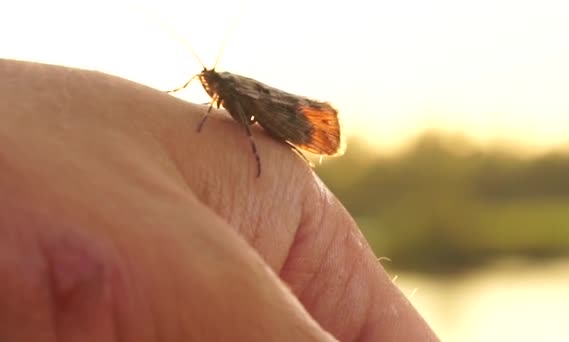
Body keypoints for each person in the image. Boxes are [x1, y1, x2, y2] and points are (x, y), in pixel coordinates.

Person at [0, 59, 439, 341]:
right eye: (205, 83)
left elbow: (251, 114)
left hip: (281, 111)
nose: (207, 86)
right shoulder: (220, 88)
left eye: (210, 83)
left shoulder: (236, 90)